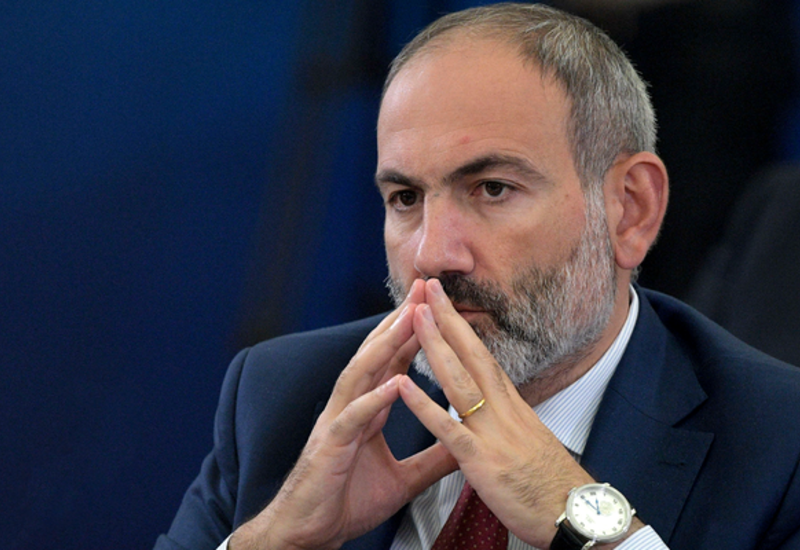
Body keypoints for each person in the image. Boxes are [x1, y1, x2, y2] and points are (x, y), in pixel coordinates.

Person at [154, 4, 800, 550]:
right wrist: (276, 540)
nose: (434, 254)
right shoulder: (283, 402)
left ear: (630, 209)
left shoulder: (778, 448)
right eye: (406, 198)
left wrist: (582, 521)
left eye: (492, 188)